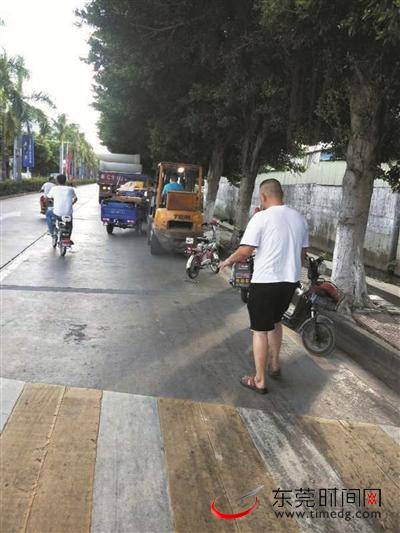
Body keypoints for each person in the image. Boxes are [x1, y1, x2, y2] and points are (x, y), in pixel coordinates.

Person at [219, 178, 309, 394]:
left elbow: (245, 251)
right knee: (276, 321)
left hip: (265, 282)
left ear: (263, 196)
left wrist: (226, 261)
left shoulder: (261, 218)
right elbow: (303, 255)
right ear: (282, 195)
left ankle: (259, 380)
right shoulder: (300, 219)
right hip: (289, 282)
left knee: (259, 331)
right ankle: (275, 364)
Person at [46, 174, 77, 238]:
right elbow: (76, 198)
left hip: (57, 213)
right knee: (70, 224)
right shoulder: (70, 189)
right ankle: (68, 238)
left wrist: (52, 201)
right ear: (65, 181)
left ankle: (52, 232)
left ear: (57, 181)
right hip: (68, 214)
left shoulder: (54, 188)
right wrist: (71, 204)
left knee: (48, 214)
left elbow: (47, 198)